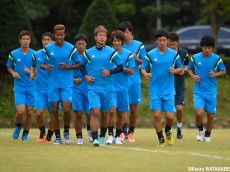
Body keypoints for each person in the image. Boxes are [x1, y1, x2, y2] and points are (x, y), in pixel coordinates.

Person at [80, 25, 123, 146]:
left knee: (105, 114)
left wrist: (109, 72)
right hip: (93, 87)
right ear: (95, 37)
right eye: (100, 35)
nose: (102, 38)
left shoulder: (111, 52)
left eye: (104, 36)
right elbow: (81, 66)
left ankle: (102, 136)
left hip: (107, 88)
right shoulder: (88, 52)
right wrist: (86, 76)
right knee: (95, 112)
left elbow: (120, 66)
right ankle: (95, 138)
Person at [141, 30, 183, 147]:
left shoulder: (174, 54)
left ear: (167, 41)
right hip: (155, 90)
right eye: (160, 40)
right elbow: (143, 68)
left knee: (170, 117)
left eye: (164, 40)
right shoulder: (150, 54)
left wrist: (175, 70)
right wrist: (145, 74)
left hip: (169, 90)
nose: (162, 42)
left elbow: (181, 69)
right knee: (157, 115)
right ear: (156, 41)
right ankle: (160, 138)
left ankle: (168, 130)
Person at [40, 24, 80, 145]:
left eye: (61, 35)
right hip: (53, 84)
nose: (59, 37)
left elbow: (78, 64)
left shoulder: (71, 48)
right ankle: (57, 136)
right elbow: (41, 64)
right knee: (54, 110)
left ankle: (66, 132)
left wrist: (68, 66)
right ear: (54, 35)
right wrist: (46, 67)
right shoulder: (47, 48)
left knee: (67, 109)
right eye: (57, 35)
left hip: (67, 83)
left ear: (64, 34)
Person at [187, 36, 226, 142]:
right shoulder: (195, 58)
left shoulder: (216, 59)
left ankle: (207, 135)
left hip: (211, 92)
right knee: (199, 113)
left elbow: (223, 71)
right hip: (198, 91)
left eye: (209, 48)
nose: (207, 50)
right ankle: (200, 131)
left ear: (212, 48)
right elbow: (189, 69)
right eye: (205, 47)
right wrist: (194, 76)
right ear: (201, 47)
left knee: (210, 115)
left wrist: (215, 74)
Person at [118, 21, 146, 142]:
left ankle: (131, 132)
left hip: (134, 81)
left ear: (131, 33)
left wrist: (136, 58)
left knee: (133, 108)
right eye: (123, 32)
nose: (125, 34)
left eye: (127, 32)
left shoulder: (139, 45)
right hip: (120, 81)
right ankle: (123, 131)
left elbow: (145, 62)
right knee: (122, 108)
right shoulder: (117, 45)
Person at [106, 30, 135, 145]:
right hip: (110, 87)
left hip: (123, 88)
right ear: (112, 42)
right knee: (112, 110)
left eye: (118, 41)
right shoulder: (108, 53)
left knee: (121, 114)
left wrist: (120, 68)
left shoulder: (128, 54)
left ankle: (118, 135)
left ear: (122, 42)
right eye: (114, 41)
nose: (116, 43)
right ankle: (110, 135)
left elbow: (132, 71)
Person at [6, 30, 35, 141]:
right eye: (24, 39)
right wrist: (13, 73)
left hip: (32, 87)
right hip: (19, 88)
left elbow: (38, 71)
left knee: (30, 112)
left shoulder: (34, 54)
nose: (26, 41)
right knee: (20, 111)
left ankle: (25, 134)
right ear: (20, 40)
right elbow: (9, 67)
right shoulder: (13, 54)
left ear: (30, 40)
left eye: (27, 39)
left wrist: (31, 72)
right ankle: (18, 126)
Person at [30, 32, 55, 143]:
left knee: (53, 114)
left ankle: (50, 134)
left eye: (48, 40)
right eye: (44, 39)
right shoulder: (36, 54)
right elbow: (33, 65)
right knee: (39, 113)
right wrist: (32, 73)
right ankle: (42, 131)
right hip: (39, 89)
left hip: (53, 89)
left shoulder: (56, 55)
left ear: (52, 41)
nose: (45, 42)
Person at [168, 32, 189, 139]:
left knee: (179, 108)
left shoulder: (183, 53)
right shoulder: (165, 54)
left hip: (179, 85)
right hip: (167, 86)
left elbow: (187, 65)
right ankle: (169, 129)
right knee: (170, 110)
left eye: (173, 44)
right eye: (170, 44)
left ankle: (179, 127)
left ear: (178, 43)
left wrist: (183, 70)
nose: (171, 46)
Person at [72, 33, 92, 144]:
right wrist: (72, 80)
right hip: (76, 89)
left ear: (86, 44)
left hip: (89, 89)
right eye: (78, 44)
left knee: (90, 114)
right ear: (75, 45)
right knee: (78, 113)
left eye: (82, 44)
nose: (80, 46)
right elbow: (64, 72)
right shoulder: (72, 56)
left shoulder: (89, 56)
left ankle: (90, 130)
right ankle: (79, 136)